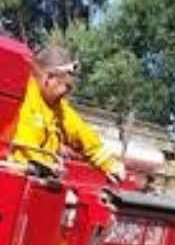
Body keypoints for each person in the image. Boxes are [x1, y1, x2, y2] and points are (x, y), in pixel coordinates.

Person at [9, 45, 127, 184]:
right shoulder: (26, 99)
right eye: (66, 87)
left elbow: (81, 134)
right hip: (19, 181)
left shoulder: (57, 106)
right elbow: (26, 143)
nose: (67, 93)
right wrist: (48, 168)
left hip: (40, 181)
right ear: (49, 77)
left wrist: (110, 164)